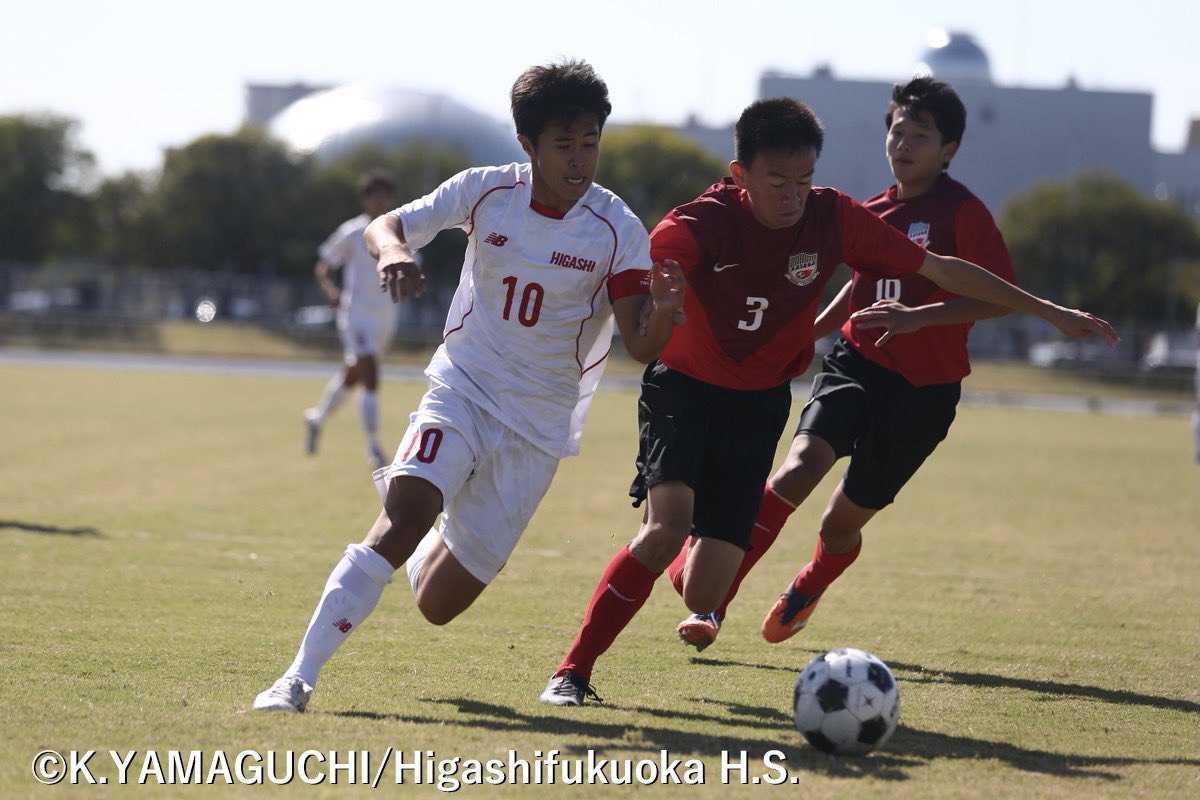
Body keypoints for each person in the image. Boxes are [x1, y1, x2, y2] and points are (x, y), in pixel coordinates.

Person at [540, 95, 1118, 706]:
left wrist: (1052, 312)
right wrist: (661, 299)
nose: (793, 195)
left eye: (805, 179)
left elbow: (943, 269)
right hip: (684, 389)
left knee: (703, 592)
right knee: (667, 528)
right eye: (777, 181)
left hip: (761, 403)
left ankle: (714, 570)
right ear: (740, 176)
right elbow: (650, 288)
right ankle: (572, 673)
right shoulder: (697, 223)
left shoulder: (835, 216)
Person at [253, 59, 685, 713]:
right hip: (463, 388)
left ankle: (430, 516)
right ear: (528, 146)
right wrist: (395, 252)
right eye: (564, 145)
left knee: (438, 604)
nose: (579, 160)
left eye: (590, 143)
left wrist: (667, 312)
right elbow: (384, 225)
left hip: (538, 428)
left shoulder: (617, 227)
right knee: (398, 524)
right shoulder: (485, 191)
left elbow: (641, 341)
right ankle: (296, 678)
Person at [668, 76, 1025, 650]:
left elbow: (999, 295)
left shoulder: (964, 213)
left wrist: (917, 317)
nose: (903, 143)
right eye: (897, 131)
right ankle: (714, 605)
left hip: (924, 394)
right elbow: (852, 284)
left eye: (920, 135)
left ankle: (808, 585)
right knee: (796, 469)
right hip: (855, 365)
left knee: (839, 526)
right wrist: (811, 329)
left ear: (949, 149)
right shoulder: (870, 208)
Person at [303, 170, 405, 469]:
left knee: (355, 373)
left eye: (386, 194)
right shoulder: (352, 231)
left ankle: (316, 417)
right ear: (365, 198)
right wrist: (330, 289)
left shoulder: (401, 231)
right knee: (370, 371)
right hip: (356, 315)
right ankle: (374, 448)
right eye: (376, 194)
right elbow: (324, 264)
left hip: (385, 316)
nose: (382, 200)